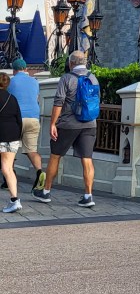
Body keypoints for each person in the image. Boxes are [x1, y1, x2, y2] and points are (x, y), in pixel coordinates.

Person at [33, 50, 99, 208]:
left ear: (71, 63)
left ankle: (46, 192)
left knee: (55, 156)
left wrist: (52, 124)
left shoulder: (67, 78)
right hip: (90, 123)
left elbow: (58, 103)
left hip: (68, 124)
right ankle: (88, 195)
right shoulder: (93, 78)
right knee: (87, 159)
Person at [7, 57, 44, 191]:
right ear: (26, 69)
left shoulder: (11, 82)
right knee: (31, 150)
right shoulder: (35, 82)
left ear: (14, 70)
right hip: (33, 118)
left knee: (9, 149)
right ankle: (40, 172)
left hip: (16, 119)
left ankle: (9, 178)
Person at [0, 76, 24, 213]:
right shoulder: (12, 98)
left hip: (1, 135)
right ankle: (14, 199)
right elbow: (19, 118)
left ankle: (14, 201)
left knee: (6, 168)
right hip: (13, 135)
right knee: (9, 167)